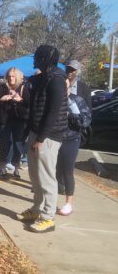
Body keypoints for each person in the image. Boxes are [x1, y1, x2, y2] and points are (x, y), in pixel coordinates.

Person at [16, 44, 68, 233]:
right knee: (34, 175)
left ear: (46, 58)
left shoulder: (57, 80)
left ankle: (48, 217)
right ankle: (37, 209)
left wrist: (41, 138)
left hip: (49, 136)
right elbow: (33, 102)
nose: (34, 60)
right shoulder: (43, 78)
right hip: (35, 132)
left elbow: (53, 112)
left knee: (46, 177)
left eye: (37, 57)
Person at [56, 79, 91, 216]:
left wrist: (69, 115)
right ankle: (49, 200)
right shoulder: (53, 99)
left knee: (67, 172)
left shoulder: (76, 100)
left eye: (63, 86)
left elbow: (85, 120)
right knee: (53, 172)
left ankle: (69, 203)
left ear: (68, 86)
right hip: (54, 138)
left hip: (71, 139)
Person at [0, 68, 29, 179]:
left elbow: (29, 104)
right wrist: (2, 99)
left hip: (19, 121)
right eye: (9, 76)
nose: (11, 78)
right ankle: (2, 167)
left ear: (17, 77)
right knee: (4, 144)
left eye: (13, 76)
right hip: (5, 121)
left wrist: (20, 100)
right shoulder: (3, 88)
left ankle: (16, 168)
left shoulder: (23, 88)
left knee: (18, 145)